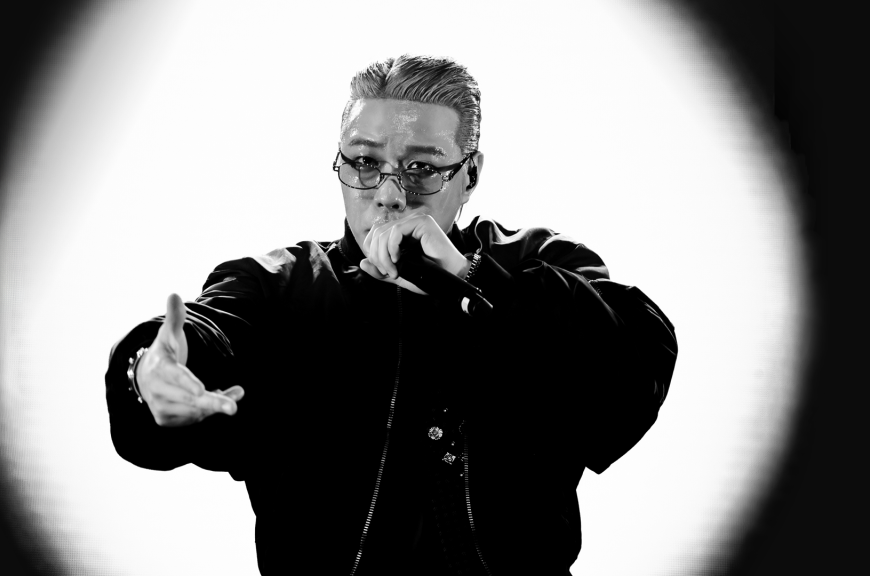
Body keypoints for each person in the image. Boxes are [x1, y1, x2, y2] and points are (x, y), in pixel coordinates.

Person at [105, 54, 677, 575]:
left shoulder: (539, 263)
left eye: (422, 168)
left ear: (470, 175)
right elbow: (211, 335)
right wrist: (150, 373)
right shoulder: (275, 285)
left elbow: (631, 377)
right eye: (364, 162)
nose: (389, 193)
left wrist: (469, 278)